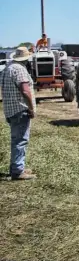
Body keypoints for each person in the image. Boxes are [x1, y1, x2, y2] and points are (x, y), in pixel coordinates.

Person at [1, 46, 37, 180]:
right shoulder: (20, 69)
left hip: (10, 110)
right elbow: (25, 90)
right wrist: (31, 108)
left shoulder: (7, 68)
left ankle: (16, 167)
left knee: (16, 140)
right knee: (21, 140)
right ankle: (17, 171)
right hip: (20, 109)